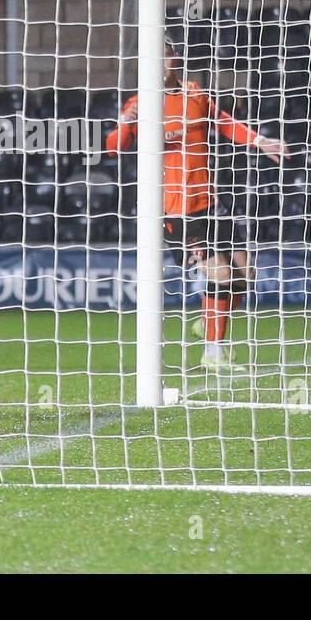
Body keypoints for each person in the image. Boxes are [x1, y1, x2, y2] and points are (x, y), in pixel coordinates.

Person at [105, 32, 289, 371]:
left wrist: (260, 140)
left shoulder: (195, 94)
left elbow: (224, 123)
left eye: (161, 56)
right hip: (177, 210)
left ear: (173, 58)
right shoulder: (140, 103)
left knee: (243, 273)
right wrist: (128, 124)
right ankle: (213, 353)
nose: (157, 65)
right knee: (219, 273)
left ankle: (209, 322)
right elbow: (113, 146)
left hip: (210, 203)